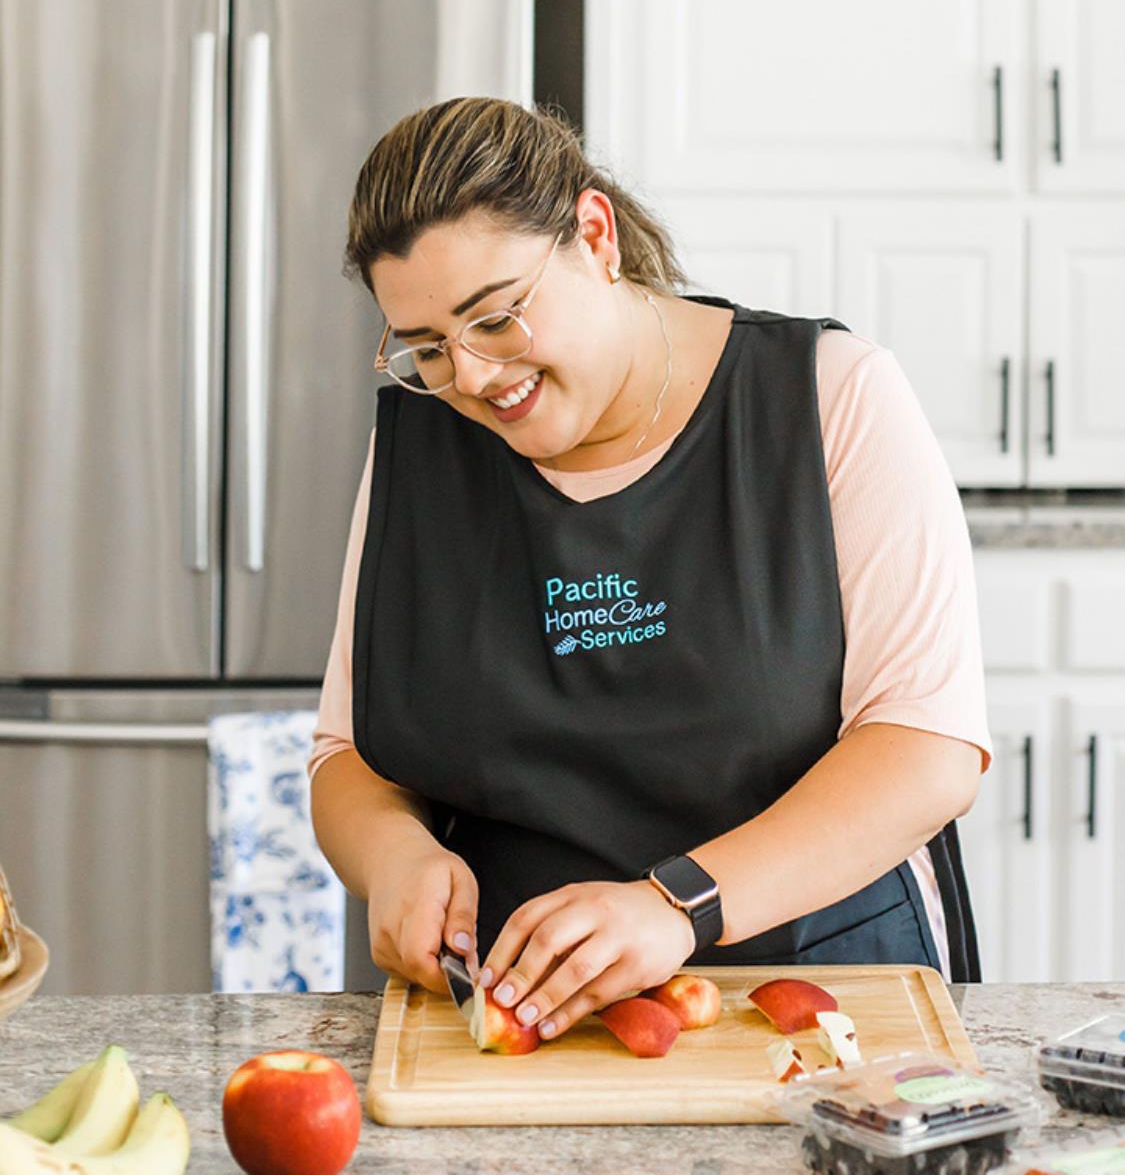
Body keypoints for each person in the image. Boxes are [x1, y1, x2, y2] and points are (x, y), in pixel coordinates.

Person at [309, 97, 992, 1043]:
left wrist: (676, 905)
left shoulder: (829, 395)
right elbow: (348, 755)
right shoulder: (423, 443)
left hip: (810, 1005)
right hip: (518, 1025)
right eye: (425, 349)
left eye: (495, 317)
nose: (469, 377)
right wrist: (391, 857)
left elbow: (926, 749)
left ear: (594, 236)